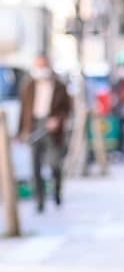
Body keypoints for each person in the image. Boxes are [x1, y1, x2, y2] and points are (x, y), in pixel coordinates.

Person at [17, 54, 72, 212]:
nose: (39, 69)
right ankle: (39, 201)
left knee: (55, 163)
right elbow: (24, 110)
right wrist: (20, 131)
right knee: (35, 166)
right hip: (34, 125)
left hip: (52, 128)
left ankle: (56, 192)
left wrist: (57, 121)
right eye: (37, 65)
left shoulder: (59, 86)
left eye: (42, 65)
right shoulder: (28, 86)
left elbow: (67, 109)